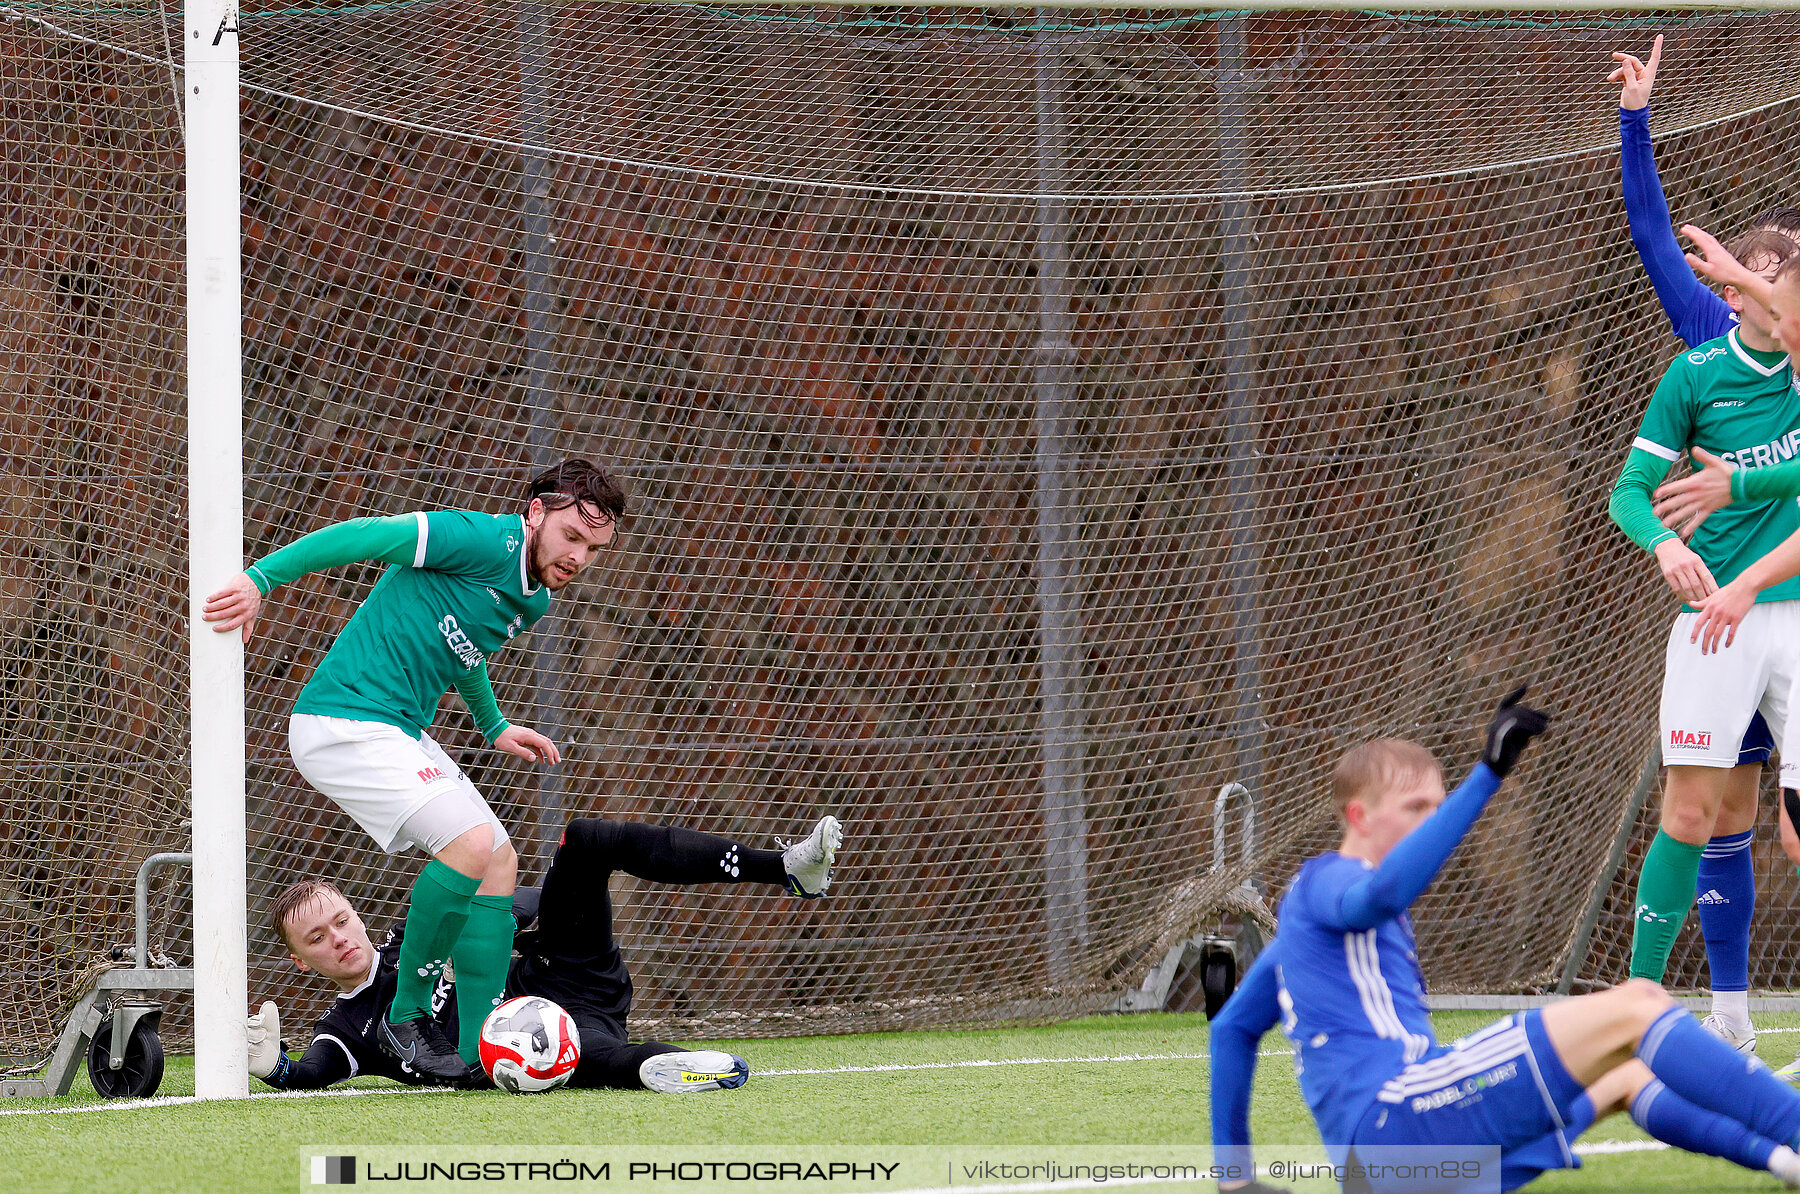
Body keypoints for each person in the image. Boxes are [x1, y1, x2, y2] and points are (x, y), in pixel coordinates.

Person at [1209, 690, 1800, 1192]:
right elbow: (1380, 896)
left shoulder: (1307, 930)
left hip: (1388, 1163)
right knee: (1639, 1005)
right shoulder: (1328, 881)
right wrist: (1486, 777)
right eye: (1415, 808)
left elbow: (1231, 1028)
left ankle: (1785, 1161)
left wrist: (1233, 1176)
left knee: (1623, 1076)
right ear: (1358, 817)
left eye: (1437, 808)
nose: (1433, 821)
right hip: (1398, 1120)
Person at [204, 459, 625, 1081]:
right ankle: (406, 1016)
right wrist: (260, 580)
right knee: (469, 844)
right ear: (536, 513)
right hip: (341, 723)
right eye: (572, 537)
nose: (579, 557)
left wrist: (494, 725)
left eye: (593, 548)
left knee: (499, 858)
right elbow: (365, 535)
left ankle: (485, 1048)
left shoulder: (532, 594)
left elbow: (466, 648)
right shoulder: (477, 537)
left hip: (396, 728)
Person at [1610, 32, 1800, 1048]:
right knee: (1720, 812)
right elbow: (1652, 232)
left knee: (1783, 823)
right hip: (1728, 615)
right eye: (1736, 272)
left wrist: (1749, 478)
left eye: (1764, 272)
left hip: (1797, 610)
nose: (1739, 285)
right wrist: (1636, 120)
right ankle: (1722, 1014)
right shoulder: (1702, 347)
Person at [244, 813, 844, 1092]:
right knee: (601, 1061)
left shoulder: (418, 940)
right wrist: (274, 1066)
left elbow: (519, 904)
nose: (340, 939)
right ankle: (676, 1066)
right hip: (537, 1044)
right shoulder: (347, 1027)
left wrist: (512, 914)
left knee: (586, 841)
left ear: (355, 913)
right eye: (317, 939)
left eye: (340, 920)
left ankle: (788, 869)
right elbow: (313, 1073)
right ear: (301, 960)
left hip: (564, 970)